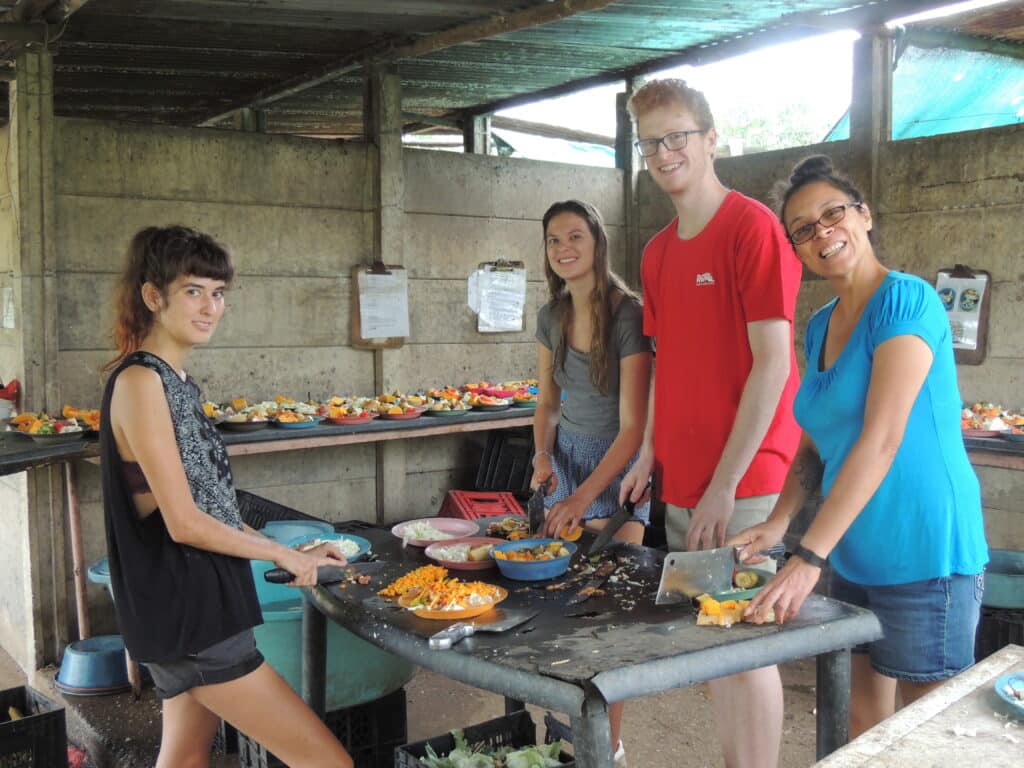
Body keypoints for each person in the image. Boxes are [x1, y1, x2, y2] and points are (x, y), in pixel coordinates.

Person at [733, 155, 988, 737]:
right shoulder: (820, 324)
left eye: (832, 214)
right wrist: (778, 523)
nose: (821, 233)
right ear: (796, 249)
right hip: (853, 551)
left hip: (926, 553)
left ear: (863, 216)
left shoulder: (908, 302)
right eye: (803, 229)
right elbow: (819, 439)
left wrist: (808, 557)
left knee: (931, 736)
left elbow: (881, 439)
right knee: (863, 726)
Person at [100, 226, 353, 768]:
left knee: (186, 758)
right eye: (193, 290)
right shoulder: (141, 383)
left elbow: (213, 506)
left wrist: (295, 549)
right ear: (153, 296)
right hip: (192, 616)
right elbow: (184, 523)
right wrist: (279, 554)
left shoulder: (177, 382)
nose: (210, 307)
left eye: (219, 294)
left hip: (190, 609)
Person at [619, 79, 802, 768]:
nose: (664, 153)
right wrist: (647, 452)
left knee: (746, 642)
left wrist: (727, 485)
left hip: (746, 480)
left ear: (710, 138)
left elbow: (773, 365)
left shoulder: (751, 228)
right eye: (651, 143)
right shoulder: (658, 251)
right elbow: (667, 360)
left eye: (676, 137)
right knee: (711, 640)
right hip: (685, 478)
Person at [530, 200, 652, 766]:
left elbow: (634, 428)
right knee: (561, 614)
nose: (564, 248)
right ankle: (569, 741)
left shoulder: (627, 315)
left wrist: (584, 495)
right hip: (567, 465)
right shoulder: (551, 316)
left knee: (605, 620)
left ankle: (609, 749)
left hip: (618, 470)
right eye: (554, 240)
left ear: (597, 241)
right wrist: (541, 457)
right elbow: (547, 403)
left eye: (575, 236)